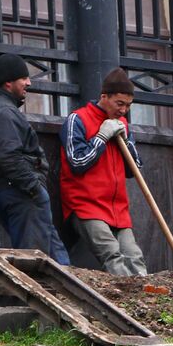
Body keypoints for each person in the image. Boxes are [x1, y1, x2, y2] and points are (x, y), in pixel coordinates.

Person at [0, 52, 71, 265]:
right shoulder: (3, 113)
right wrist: (34, 189)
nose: (28, 83)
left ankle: (68, 294)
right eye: (24, 78)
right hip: (22, 195)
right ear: (8, 82)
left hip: (21, 193)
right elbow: (8, 156)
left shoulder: (2, 110)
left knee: (54, 262)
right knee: (34, 263)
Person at [59, 68, 148, 276]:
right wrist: (101, 137)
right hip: (86, 205)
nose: (124, 110)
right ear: (104, 97)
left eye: (128, 105)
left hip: (117, 209)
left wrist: (126, 142)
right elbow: (77, 162)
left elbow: (134, 170)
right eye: (119, 104)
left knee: (134, 256)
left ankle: (148, 302)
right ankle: (126, 305)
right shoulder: (78, 119)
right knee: (112, 254)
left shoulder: (123, 124)